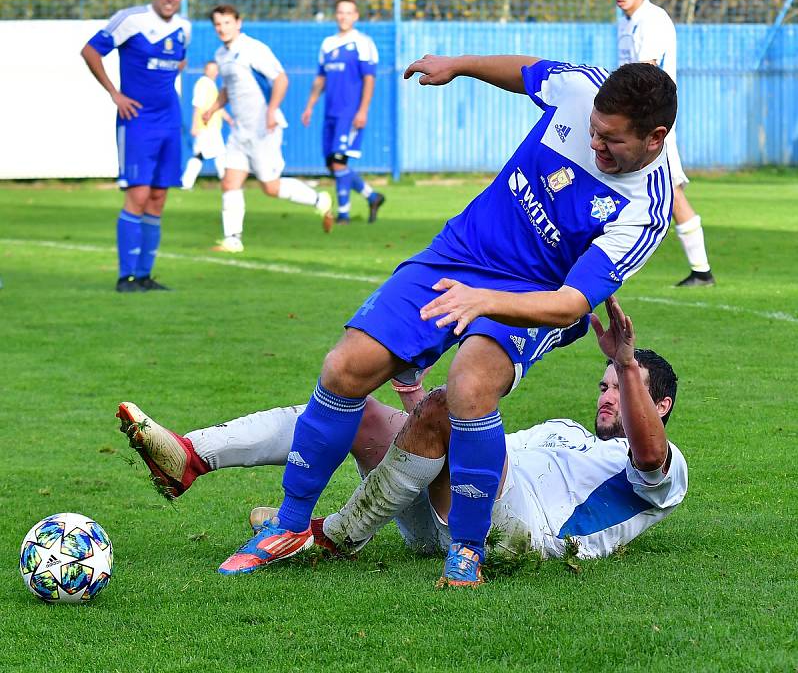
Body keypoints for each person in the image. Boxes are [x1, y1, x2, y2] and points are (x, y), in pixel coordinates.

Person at [128, 52, 677, 585]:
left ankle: (465, 552)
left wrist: (482, 302)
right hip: (460, 252)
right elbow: (528, 72)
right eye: (593, 131)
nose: (595, 143)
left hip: (535, 295)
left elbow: (572, 305)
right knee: (346, 367)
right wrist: (459, 64)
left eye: (612, 140)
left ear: (654, 139)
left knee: (469, 385)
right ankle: (289, 524)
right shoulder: (583, 88)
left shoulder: (647, 209)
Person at [117, 296, 688, 587]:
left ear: (657, 405)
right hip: (457, 514)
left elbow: (650, 457)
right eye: (606, 383)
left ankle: (334, 534)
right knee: (355, 409)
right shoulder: (560, 431)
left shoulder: (664, 468)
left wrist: (627, 362)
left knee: (448, 404)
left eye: (623, 387)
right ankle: (191, 457)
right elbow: (460, 449)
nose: (607, 395)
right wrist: (415, 398)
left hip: (521, 536)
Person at [80, 0, 191, 292]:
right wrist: (115, 94)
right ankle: (125, 277)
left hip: (170, 119)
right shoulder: (130, 19)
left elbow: (178, 62)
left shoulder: (184, 28)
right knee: (138, 194)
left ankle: (144, 275)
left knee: (158, 197)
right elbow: (90, 50)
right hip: (138, 120)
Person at [613, 0, 715, 287]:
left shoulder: (652, 20)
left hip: (652, 119)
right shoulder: (628, 23)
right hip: (640, 117)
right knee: (648, 187)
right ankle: (700, 271)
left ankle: (702, 271)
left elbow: (646, 69)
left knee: (668, 190)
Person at [202, 5, 333, 253]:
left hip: (264, 129)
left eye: (227, 23)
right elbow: (229, 89)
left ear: (238, 23)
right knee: (230, 182)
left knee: (270, 188)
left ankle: (319, 199)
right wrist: (213, 107)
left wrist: (272, 110)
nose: (222, 28)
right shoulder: (221, 55)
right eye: (218, 24)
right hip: (240, 132)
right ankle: (233, 239)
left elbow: (281, 79)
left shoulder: (253, 49)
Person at [300, 0, 385, 224]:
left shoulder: (362, 43)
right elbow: (320, 79)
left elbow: (369, 78)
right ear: (335, 15)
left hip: (350, 111)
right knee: (332, 163)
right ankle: (372, 196)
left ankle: (344, 214)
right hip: (330, 112)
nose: (344, 17)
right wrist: (309, 106)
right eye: (340, 12)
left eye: (348, 13)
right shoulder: (327, 44)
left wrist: (363, 110)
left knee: (339, 161)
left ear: (356, 16)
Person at [181, 61, 233, 189]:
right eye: (211, 69)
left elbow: (216, 107)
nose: (214, 72)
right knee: (220, 154)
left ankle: (186, 183)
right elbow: (198, 105)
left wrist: (229, 119)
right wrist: (195, 125)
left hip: (212, 126)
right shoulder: (203, 84)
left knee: (199, 155)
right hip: (206, 127)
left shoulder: (211, 85)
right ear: (205, 70)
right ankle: (228, 182)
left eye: (215, 69)